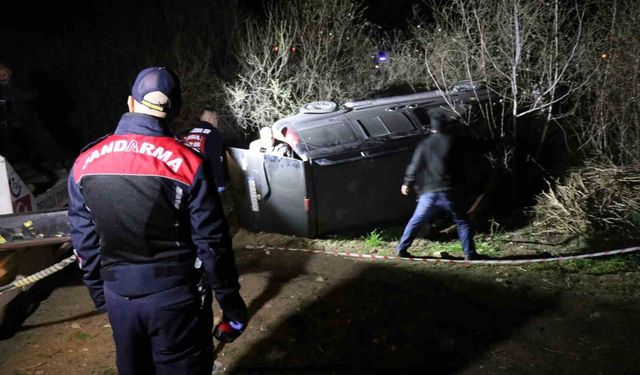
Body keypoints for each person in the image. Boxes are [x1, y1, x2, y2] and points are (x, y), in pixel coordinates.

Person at [67, 66, 247, 374]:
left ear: (130, 103)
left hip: (118, 298)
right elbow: (212, 245)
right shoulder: (189, 163)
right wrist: (231, 305)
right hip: (174, 299)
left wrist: (102, 298)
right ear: (174, 110)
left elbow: (84, 243)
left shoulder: (85, 161)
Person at [396, 109, 481, 261]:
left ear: (432, 127)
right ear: (446, 126)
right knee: (462, 222)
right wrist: (499, 143)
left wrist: (406, 183)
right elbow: (476, 148)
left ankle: (402, 249)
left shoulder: (424, 145)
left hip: (428, 193)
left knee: (416, 220)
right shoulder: (453, 141)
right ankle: (469, 253)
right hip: (449, 192)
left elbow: (414, 166)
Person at [177, 109, 227, 193]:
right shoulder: (212, 133)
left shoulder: (190, 133)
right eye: (216, 118)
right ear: (211, 119)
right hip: (205, 179)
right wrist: (220, 183)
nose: (217, 121)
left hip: (188, 177)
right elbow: (216, 160)